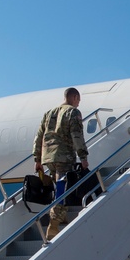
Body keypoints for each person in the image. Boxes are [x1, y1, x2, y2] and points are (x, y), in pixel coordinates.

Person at [33, 87, 90, 240]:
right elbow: (76, 135)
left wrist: (37, 159)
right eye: (78, 100)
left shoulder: (49, 113)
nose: (78, 104)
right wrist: (83, 157)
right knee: (63, 190)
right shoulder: (73, 112)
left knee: (58, 187)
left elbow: (39, 137)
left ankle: (62, 217)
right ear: (74, 97)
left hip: (48, 157)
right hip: (64, 156)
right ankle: (53, 224)